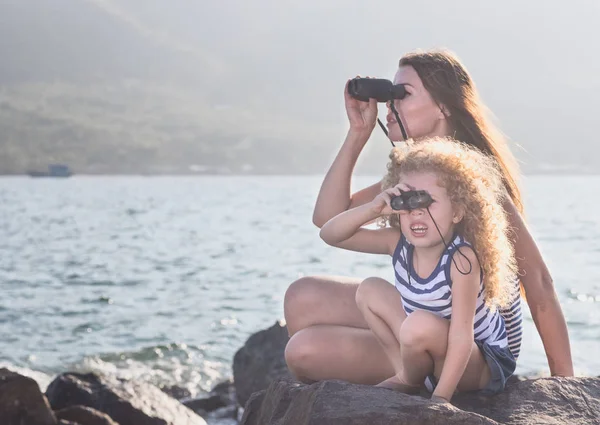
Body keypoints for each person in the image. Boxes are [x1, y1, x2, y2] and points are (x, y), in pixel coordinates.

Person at [283, 49, 573, 385]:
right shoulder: (414, 174)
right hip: (425, 319)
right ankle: (405, 379)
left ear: (444, 106)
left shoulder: (473, 182)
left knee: (305, 351)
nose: (390, 107)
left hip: (474, 346)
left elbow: (538, 283)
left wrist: (564, 386)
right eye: (389, 96)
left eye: (402, 95)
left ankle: (417, 385)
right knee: (301, 297)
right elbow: (328, 219)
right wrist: (358, 133)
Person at [320, 139, 518, 402]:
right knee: (370, 290)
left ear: (457, 211)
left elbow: (461, 336)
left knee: (418, 325)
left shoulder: (461, 258)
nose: (417, 214)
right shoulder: (397, 244)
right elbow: (330, 235)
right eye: (407, 203)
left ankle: (415, 382)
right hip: (426, 344)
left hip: (478, 364)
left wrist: (441, 399)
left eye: (428, 202)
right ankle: (404, 375)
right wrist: (373, 208)